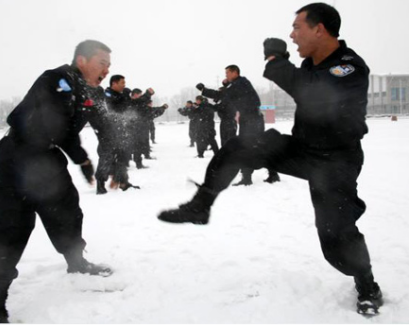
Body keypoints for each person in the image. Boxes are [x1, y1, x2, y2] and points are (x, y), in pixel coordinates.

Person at [158, 3, 383, 316]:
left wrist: (277, 61)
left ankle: (367, 285)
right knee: (238, 147)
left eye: (297, 28)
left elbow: (316, 95)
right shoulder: (312, 64)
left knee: (336, 238)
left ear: (319, 29)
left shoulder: (348, 66)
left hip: (336, 160)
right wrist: (283, 62)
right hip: (302, 149)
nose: (292, 35)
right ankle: (201, 205)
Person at [0, 40, 114, 324]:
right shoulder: (56, 79)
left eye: (109, 66)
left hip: (48, 159)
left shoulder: (84, 90)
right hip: (19, 157)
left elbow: (70, 133)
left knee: (67, 213)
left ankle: (77, 263)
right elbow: (57, 125)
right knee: (13, 224)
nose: (107, 70)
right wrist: (80, 157)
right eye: (102, 63)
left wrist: (85, 161)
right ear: (82, 60)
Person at [197, 65, 280, 185]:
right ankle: (266, 174)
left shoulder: (241, 83)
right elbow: (227, 95)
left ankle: (252, 177)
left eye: (227, 73)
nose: (226, 76)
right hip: (249, 119)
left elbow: (222, 95)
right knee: (254, 146)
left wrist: (204, 90)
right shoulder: (238, 84)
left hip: (252, 119)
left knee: (249, 147)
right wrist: (226, 86)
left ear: (235, 72)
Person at [100, 74, 140, 194]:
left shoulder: (120, 95)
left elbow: (126, 108)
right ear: (114, 83)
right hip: (109, 132)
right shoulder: (107, 94)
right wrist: (125, 98)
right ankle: (100, 184)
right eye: (122, 83)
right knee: (106, 156)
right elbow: (114, 109)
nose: (124, 85)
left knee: (122, 156)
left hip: (121, 131)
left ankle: (123, 182)